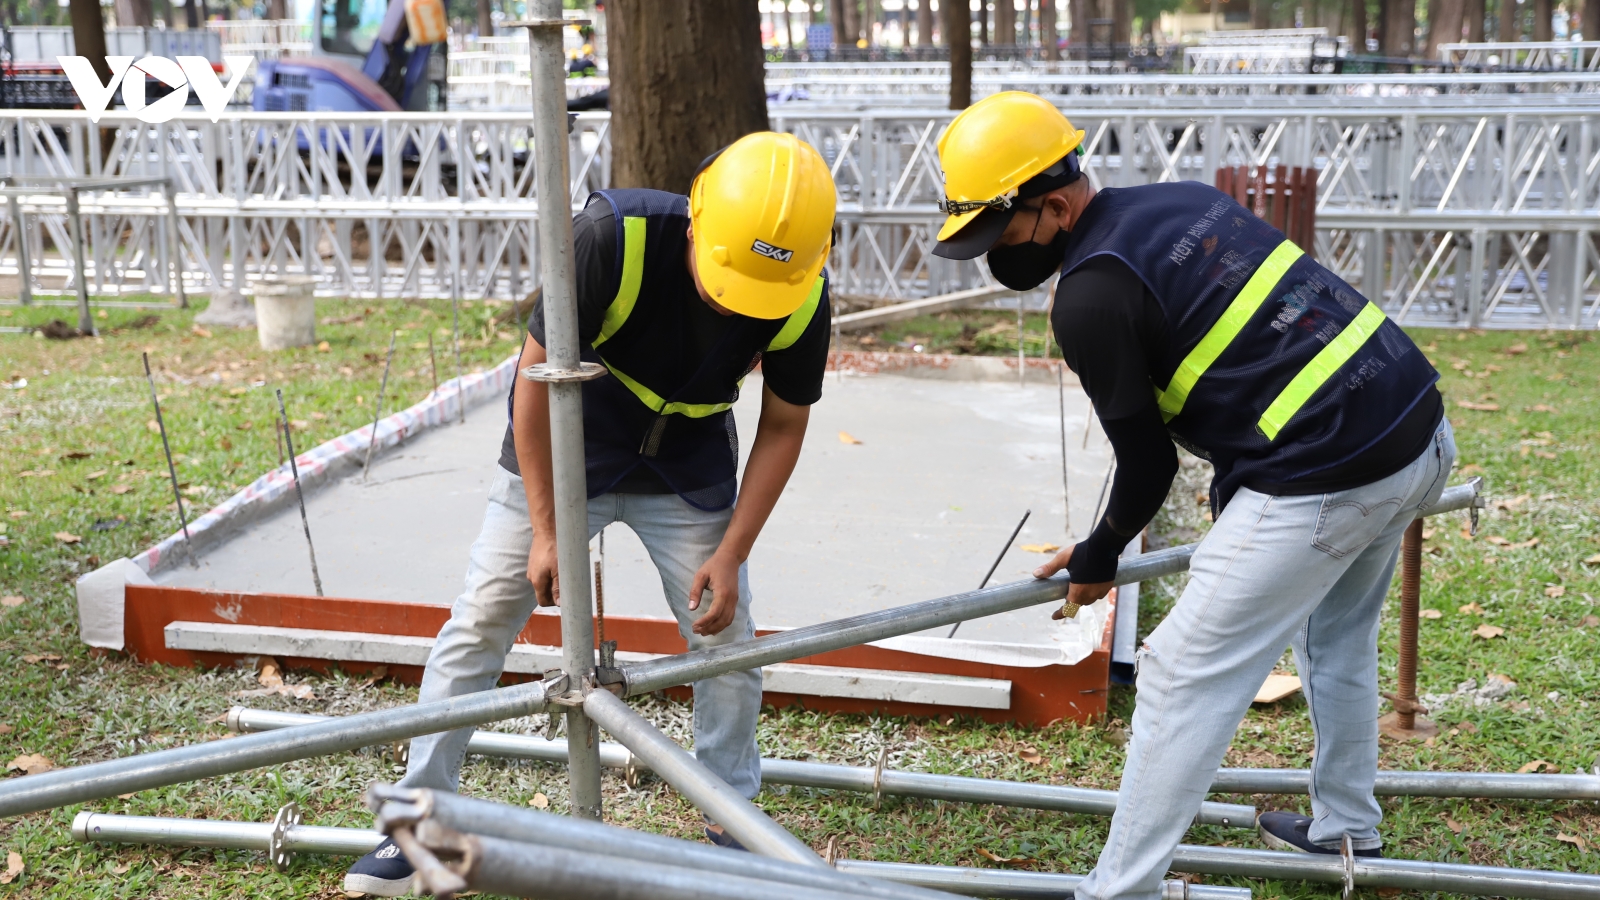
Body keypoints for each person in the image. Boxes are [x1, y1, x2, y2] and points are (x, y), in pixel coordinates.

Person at [932, 92, 1454, 900]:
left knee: (1177, 672)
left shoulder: (1090, 298)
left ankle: (1119, 891)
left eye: (1002, 231)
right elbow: (1259, 344)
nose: (997, 251)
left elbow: (1148, 464)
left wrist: (1100, 550)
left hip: (1329, 475)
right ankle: (1346, 825)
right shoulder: (1185, 202)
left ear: (1058, 206)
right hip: (1415, 430)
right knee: (1337, 638)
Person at [344, 131, 837, 897]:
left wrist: (732, 552)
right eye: (727, 279)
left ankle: (733, 817)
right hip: (571, 444)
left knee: (727, 638)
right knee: (482, 617)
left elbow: (783, 425)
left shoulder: (801, 291)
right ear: (696, 221)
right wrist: (546, 530)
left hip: (687, 461)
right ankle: (417, 819)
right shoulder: (610, 239)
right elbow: (532, 383)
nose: (734, 303)